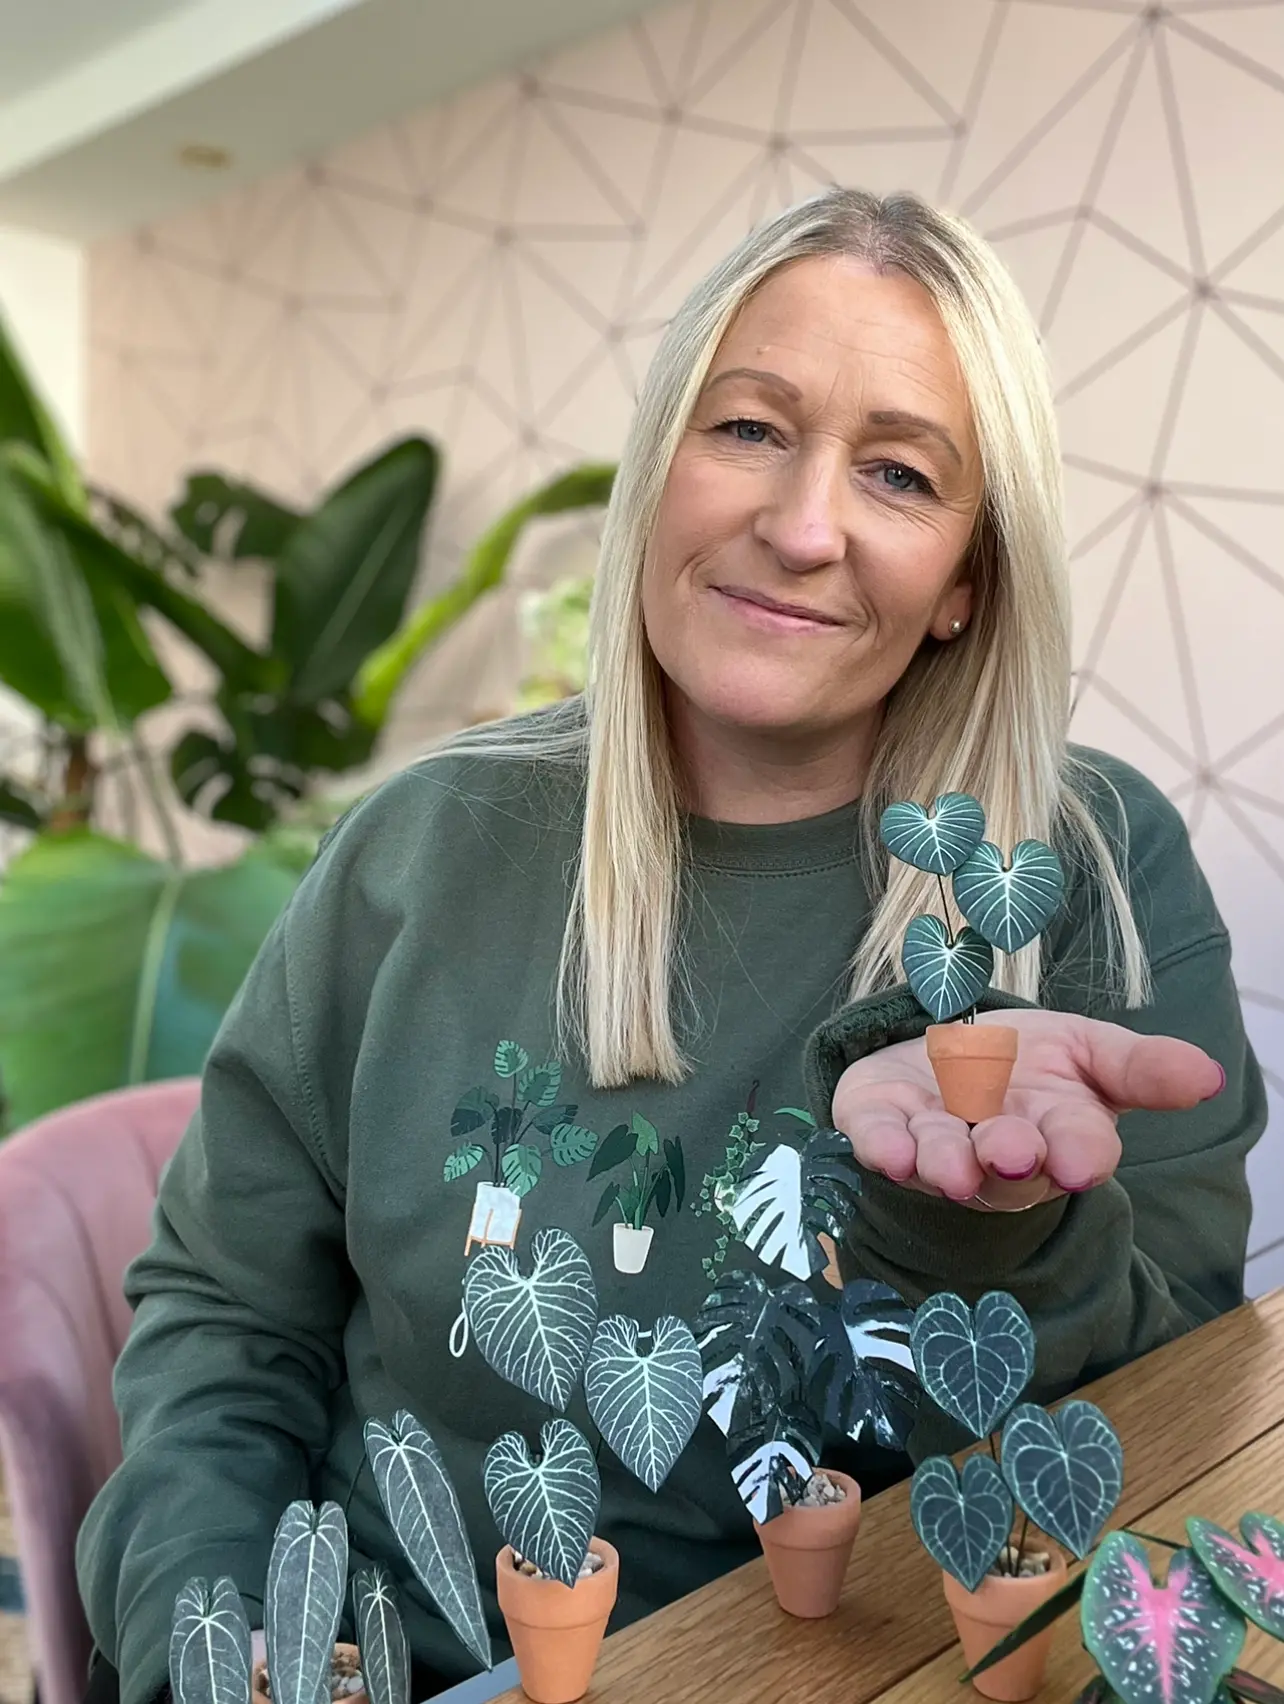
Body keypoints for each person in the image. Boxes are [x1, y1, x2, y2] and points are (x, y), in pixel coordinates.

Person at [77, 187, 1264, 1703]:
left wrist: (991, 1225)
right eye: (750, 429)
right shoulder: (418, 846)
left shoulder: (1085, 869)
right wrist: (215, 1632)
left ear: (970, 575)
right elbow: (227, 1320)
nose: (804, 524)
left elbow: (1169, 1448)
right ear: (657, 473)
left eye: (899, 475)